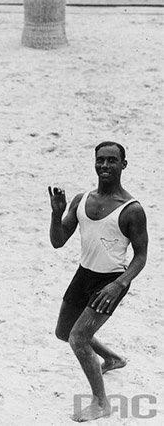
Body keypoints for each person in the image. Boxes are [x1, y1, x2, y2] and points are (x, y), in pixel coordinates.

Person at [48, 141, 148, 422]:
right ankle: (113, 359)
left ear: (123, 165)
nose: (105, 165)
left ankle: (101, 402)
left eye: (112, 161)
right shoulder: (81, 200)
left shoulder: (131, 209)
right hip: (84, 273)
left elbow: (141, 257)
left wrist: (119, 284)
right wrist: (56, 215)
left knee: (79, 339)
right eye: (100, 160)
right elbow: (58, 241)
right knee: (63, 332)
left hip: (112, 280)